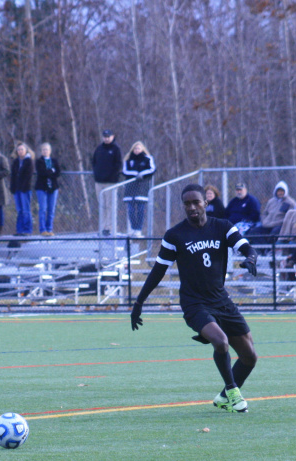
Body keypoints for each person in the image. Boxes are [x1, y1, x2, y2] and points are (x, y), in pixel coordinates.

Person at [130, 184, 258, 413]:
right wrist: (138, 303)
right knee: (220, 342)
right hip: (194, 304)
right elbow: (158, 271)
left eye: (196, 202)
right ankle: (232, 392)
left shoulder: (222, 227)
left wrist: (251, 259)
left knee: (250, 357)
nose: (192, 207)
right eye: (187, 204)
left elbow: (246, 247)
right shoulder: (175, 235)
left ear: (205, 203)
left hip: (222, 301)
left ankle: (222, 398)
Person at [122, 141, 156, 236]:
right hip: (130, 188)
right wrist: (135, 175)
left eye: (139, 148)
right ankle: (133, 228)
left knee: (141, 209)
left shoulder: (147, 159)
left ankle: (138, 230)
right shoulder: (128, 160)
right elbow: (125, 171)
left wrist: (142, 174)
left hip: (142, 188)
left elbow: (152, 170)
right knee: (131, 210)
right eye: (135, 148)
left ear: (142, 149)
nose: (137, 150)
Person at [93, 129, 123, 234]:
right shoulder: (99, 149)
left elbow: (118, 165)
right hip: (99, 182)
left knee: (110, 205)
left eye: (108, 136)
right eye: (105, 136)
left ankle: (109, 227)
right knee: (102, 205)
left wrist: (112, 176)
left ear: (112, 136)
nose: (106, 138)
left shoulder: (115, 149)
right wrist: (97, 174)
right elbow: (94, 162)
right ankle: (102, 226)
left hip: (111, 182)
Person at [34, 142, 60, 236]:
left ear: (50, 151)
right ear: (41, 151)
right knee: (43, 209)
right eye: (43, 149)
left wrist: (50, 172)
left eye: (47, 149)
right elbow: (42, 173)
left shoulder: (54, 161)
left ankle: (49, 229)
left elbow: (58, 173)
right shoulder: (39, 161)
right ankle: (43, 230)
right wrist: (51, 171)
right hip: (42, 188)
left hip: (53, 188)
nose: (45, 151)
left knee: (51, 209)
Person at [10, 142, 34, 236]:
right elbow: (13, 175)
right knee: (19, 210)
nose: (20, 151)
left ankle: (27, 230)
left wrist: (24, 187)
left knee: (26, 209)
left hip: (25, 189)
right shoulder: (16, 162)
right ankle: (19, 230)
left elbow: (28, 176)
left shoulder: (29, 161)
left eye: (22, 149)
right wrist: (13, 187)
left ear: (26, 150)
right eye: (18, 150)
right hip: (17, 189)